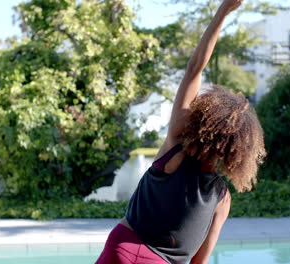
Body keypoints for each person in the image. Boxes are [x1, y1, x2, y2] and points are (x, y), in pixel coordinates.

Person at [96, 0, 266, 263]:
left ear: (205, 119)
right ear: (238, 150)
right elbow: (198, 261)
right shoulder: (222, 199)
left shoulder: (177, 145)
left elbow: (194, 68)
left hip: (122, 247)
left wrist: (224, 10)